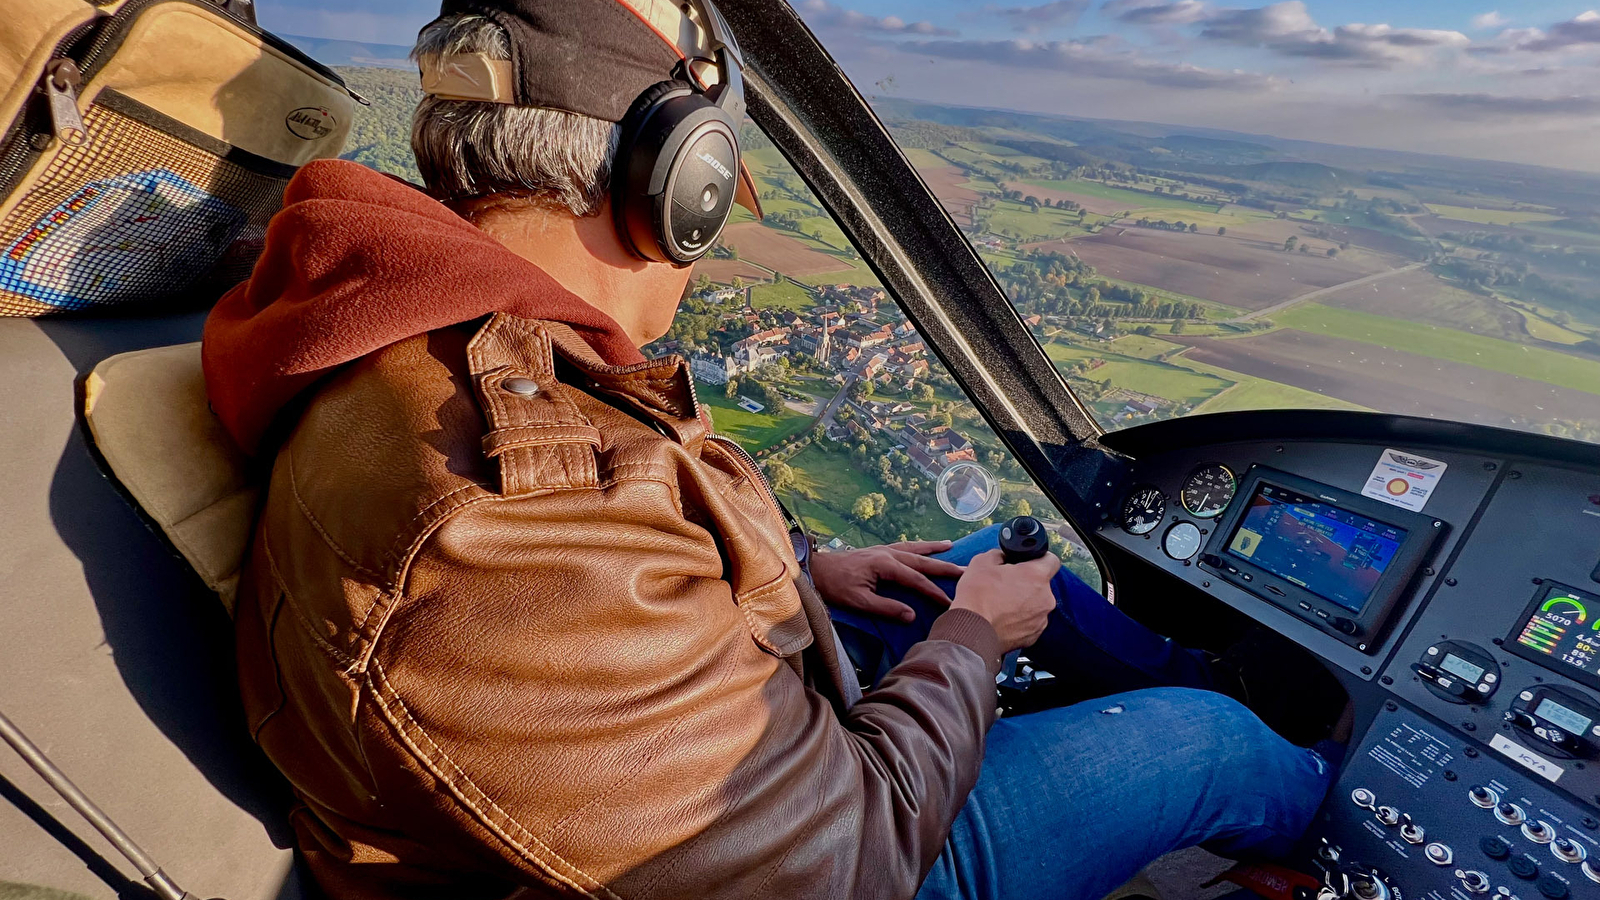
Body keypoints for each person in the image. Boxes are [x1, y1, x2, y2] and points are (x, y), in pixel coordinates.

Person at [203, 1, 1333, 897]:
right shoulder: (503, 519)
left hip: (647, 795)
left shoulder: (417, 336)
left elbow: (612, 580)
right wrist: (973, 644)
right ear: (672, 187)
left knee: (983, 549)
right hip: (826, 859)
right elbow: (844, 866)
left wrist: (795, 572)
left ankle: (1202, 674)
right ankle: (1322, 789)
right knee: (1208, 744)